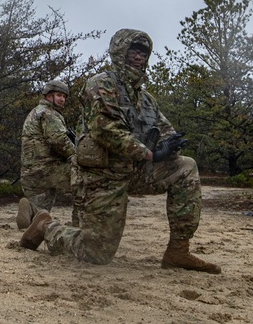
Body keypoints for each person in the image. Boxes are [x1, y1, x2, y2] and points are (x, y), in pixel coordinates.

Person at [19, 29, 221, 274]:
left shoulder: (146, 99)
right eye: (133, 51)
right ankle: (46, 227)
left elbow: (163, 127)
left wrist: (170, 144)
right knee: (96, 253)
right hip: (100, 178)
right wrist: (149, 154)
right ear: (119, 52)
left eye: (143, 53)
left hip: (131, 171)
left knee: (185, 166)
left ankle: (178, 251)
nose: (139, 58)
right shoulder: (100, 85)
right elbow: (107, 130)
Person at [15, 79, 76, 230]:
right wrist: (77, 156)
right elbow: (59, 140)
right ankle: (81, 219)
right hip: (49, 169)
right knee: (87, 179)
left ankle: (30, 210)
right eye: (59, 95)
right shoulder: (49, 114)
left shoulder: (34, 113)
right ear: (49, 96)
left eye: (64, 96)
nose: (62, 99)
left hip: (30, 173)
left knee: (41, 207)